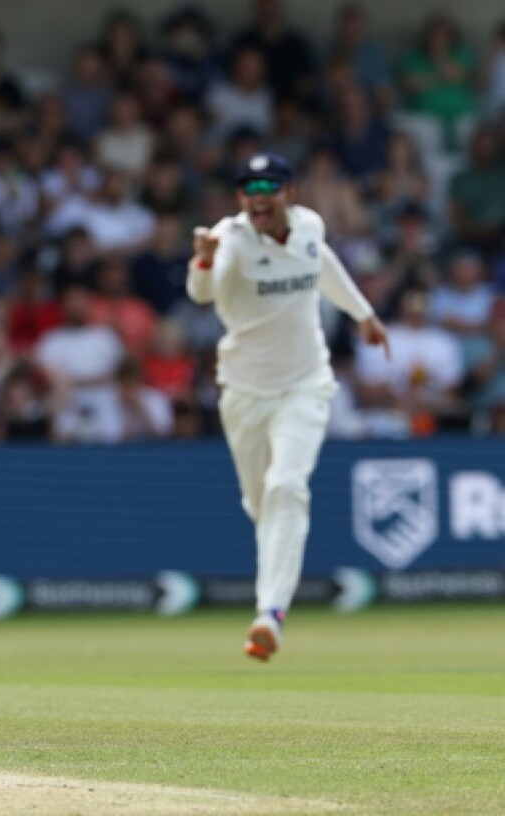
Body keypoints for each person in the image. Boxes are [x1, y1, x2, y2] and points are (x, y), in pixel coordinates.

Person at [187, 153, 389, 662]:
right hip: (245, 391)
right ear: (240, 199)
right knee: (261, 505)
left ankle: (269, 614)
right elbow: (201, 292)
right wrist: (205, 258)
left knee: (286, 488)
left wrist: (363, 314)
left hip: (305, 385)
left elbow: (322, 263)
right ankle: (273, 589)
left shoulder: (309, 227)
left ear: (289, 194)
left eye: (269, 186)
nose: (259, 195)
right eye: (249, 187)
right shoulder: (228, 239)